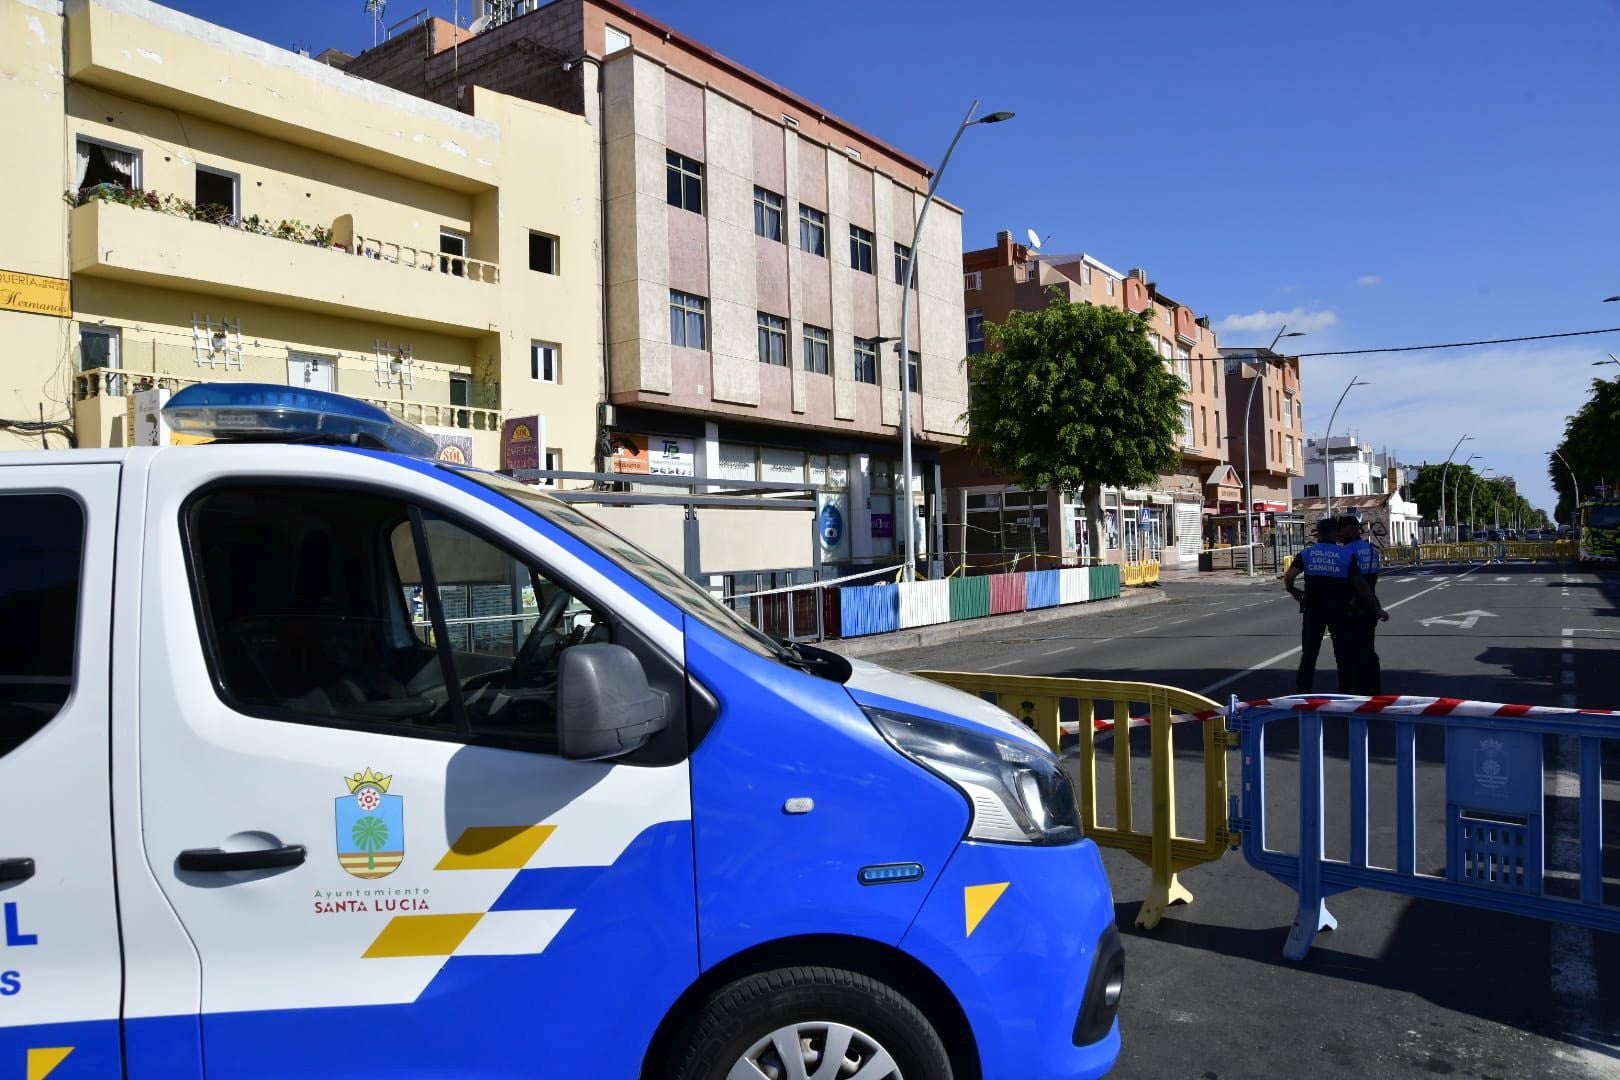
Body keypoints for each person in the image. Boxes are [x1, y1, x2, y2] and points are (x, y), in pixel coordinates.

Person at [1339, 514, 1384, 694]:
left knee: (1351, 650)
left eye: (1342, 530)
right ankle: (1373, 688)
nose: (1339, 534)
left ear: (1351, 529)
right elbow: (1374, 578)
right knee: (1368, 648)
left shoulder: (1347, 552)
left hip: (1352, 606)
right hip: (1371, 603)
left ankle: (1355, 689)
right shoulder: (1371, 550)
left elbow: (1350, 581)